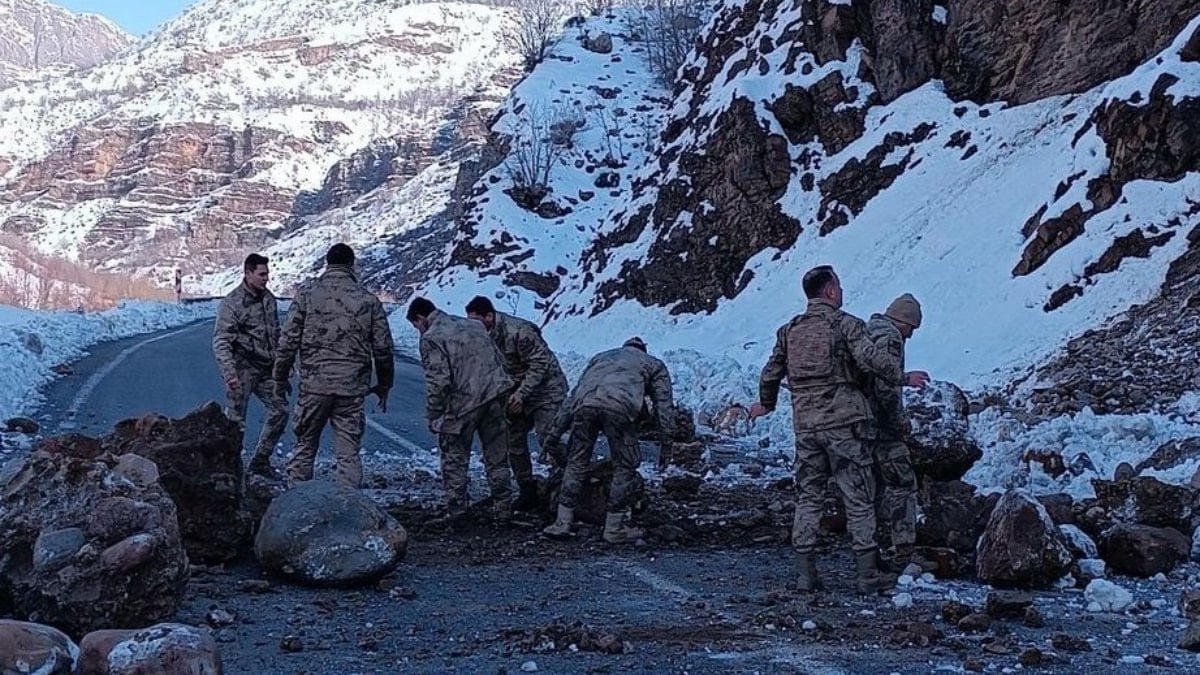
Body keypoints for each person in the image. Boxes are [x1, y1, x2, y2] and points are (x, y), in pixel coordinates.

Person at [748, 265, 904, 594]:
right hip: (845, 425)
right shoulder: (845, 324)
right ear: (831, 291)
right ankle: (866, 575)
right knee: (858, 498)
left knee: (809, 497)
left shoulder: (789, 330)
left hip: (806, 426)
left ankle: (805, 574)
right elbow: (871, 360)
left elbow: (771, 372)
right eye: (840, 286)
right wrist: (902, 377)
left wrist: (767, 403)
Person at [272, 243, 394, 488]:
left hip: (314, 386)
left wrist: (280, 377)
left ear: (327, 263)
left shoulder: (307, 295)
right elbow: (382, 349)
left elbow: (287, 341)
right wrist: (383, 384)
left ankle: (299, 505)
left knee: (305, 446)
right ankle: (348, 509)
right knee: (348, 452)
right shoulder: (368, 300)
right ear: (352, 265)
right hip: (351, 388)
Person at [541, 337, 674, 544]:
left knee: (576, 463)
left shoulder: (601, 358)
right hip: (619, 408)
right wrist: (667, 444)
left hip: (584, 406)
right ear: (643, 350)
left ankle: (562, 522)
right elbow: (663, 406)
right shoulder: (653, 364)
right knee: (625, 466)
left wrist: (553, 437)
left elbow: (572, 398)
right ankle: (614, 528)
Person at [407, 296, 515, 520]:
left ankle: (457, 510)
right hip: (494, 396)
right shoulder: (474, 326)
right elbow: (500, 360)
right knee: (497, 457)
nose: (417, 330)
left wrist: (434, 414)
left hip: (463, 404)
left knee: (455, 457)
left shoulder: (432, 338)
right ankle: (503, 507)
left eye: (416, 325)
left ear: (420, 318)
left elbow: (439, 380)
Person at [465, 296, 568, 511]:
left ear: (489, 316)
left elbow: (541, 364)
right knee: (512, 441)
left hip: (546, 389)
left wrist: (522, 394)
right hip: (515, 390)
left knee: (548, 436)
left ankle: (572, 472)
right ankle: (527, 489)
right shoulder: (481, 337)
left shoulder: (519, 331)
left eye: (476, 320)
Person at [865, 294, 930, 568]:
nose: (910, 336)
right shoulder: (890, 339)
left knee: (874, 486)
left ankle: (874, 548)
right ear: (903, 321)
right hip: (881, 426)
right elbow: (885, 386)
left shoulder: (868, 332)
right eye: (911, 328)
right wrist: (899, 421)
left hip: (859, 423)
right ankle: (902, 551)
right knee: (903, 482)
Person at [212, 253, 287, 476]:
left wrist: (282, 363)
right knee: (235, 423)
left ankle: (260, 461)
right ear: (248, 273)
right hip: (241, 369)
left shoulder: (269, 299)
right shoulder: (233, 303)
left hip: (265, 369)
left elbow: (274, 333)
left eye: (267, 274)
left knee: (280, 410)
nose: (266, 279)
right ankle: (228, 467)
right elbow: (221, 340)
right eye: (262, 274)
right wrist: (229, 373)